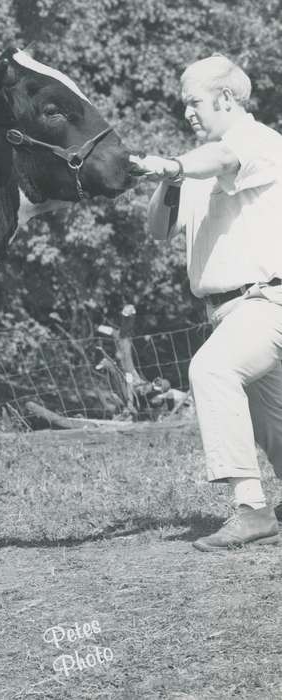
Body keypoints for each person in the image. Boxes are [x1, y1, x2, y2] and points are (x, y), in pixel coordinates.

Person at [132, 55, 282, 551]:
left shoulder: (256, 141)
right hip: (227, 313)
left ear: (226, 98)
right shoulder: (196, 161)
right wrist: (171, 178)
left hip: (267, 302)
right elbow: (157, 230)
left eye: (194, 102)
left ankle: (252, 512)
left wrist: (176, 164)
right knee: (272, 425)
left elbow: (222, 162)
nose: (188, 112)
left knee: (212, 372)